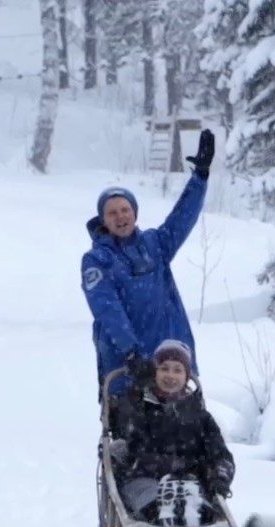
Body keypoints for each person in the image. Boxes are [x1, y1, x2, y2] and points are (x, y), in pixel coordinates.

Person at [82, 128, 215, 398]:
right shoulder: (97, 260)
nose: (120, 217)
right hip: (127, 365)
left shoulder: (156, 244)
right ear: (103, 220)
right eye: (112, 213)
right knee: (134, 432)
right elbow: (107, 309)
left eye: (125, 210)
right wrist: (131, 352)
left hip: (172, 358)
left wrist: (200, 177)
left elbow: (182, 218)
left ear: (134, 212)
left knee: (187, 428)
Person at [110, 340, 235, 527]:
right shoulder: (139, 408)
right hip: (145, 480)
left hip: (191, 483)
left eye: (177, 370)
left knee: (200, 512)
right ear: (155, 372)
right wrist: (136, 392)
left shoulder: (200, 417)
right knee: (161, 508)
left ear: (186, 376)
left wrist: (220, 477)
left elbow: (220, 454)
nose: (170, 375)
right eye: (164, 368)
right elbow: (130, 439)